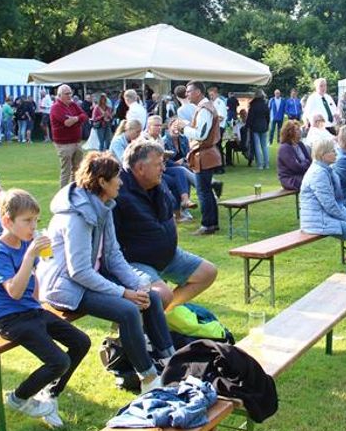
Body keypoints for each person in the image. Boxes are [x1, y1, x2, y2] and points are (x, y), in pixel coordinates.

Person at [37, 151, 174, 393]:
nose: (121, 182)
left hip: (89, 278)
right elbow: (78, 272)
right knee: (129, 309)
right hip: (65, 286)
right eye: (116, 178)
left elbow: (113, 255)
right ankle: (149, 379)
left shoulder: (104, 206)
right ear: (101, 182)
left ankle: (170, 363)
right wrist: (124, 293)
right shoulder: (76, 217)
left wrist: (138, 285)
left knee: (150, 296)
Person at [0, 188, 91, 428]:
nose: (33, 227)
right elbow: (14, 292)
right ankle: (19, 398)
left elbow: (32, 286)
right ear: (7, 221)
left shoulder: (24, 242)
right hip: (10, 319)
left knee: (81, 342)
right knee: (58, 361)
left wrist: (36, 264)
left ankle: (49, 393)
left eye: (36, 221)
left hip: (32, 310)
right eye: (27, 221)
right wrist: (30, 255)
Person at [114, 139, 217, 311]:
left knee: (207, 273)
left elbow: (169, 216)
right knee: (162, 294)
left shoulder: (156, 183)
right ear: (140, 168)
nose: (163, 169)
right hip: (135, 261)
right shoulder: (118, 192)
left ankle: (162, 314)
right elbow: (110, 244)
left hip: (169, 256)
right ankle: (140, 326)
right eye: (158, 164)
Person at [299, 137, 346, 270]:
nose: (336, 153)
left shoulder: (326, 169)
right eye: (332, 151)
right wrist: (345, 218)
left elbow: (337, 201)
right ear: (323, 154)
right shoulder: (318, 173)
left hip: (325, 217)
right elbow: (329, 204)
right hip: (317, 221)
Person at [171, 81, 221, 235]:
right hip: (205, 154)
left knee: (203, 192)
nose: (186, 94)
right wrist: (186, 124)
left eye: (189, 91)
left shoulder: (205, 109)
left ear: (198, 92)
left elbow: (201, 134)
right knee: (206, 191)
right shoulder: (205, 107)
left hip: (204, 155)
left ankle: (207, 225)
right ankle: (212, 223)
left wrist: (183, 128)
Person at [49, 84, 88, 188]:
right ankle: (63, 194)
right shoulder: (56, 107)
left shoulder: (73, 105)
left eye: (70, 93)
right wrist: (78, 119)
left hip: (76, 141)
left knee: (78, 169)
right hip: (64, 144)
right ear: (60, 95)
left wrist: (75, 119)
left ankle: (74, 191)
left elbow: (84, 116)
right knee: (66, 170)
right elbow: (67, 123)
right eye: (67, 93)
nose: (70, 95)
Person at [276, 120, 312, 191]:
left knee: (318, 178)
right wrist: (305, 163)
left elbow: (310, 161)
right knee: (312, 182)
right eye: (297, 130)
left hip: (302, 175)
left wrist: (304, 163)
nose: (300, 131)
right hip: (290, 179)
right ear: (290, 132)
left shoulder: (300, 144)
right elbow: (295, 167)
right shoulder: (285, 148)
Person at [246, 90, 270, 170]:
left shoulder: (253, 105)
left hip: (255, 127)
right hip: (264, 126)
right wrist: (267, 124)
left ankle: (260, 164)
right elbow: (268, 117)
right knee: (264, 146)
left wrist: (248, 126)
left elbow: (250, 118)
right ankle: (266, 164)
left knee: (257, 146)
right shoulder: (265, 104)